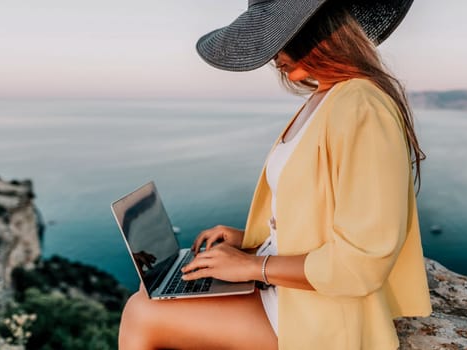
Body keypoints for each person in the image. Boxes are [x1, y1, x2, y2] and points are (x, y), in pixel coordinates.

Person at [118, 0, 432, 349]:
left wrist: (253, 267)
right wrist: (248, 241)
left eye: (275, 39)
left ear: (314, 29)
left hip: (324, 319)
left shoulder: (362, 107)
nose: (272, 57)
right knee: (159, 294)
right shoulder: (327, 97)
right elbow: (314, 219)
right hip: (292, 296)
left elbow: (363, 261)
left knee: (142, 312)